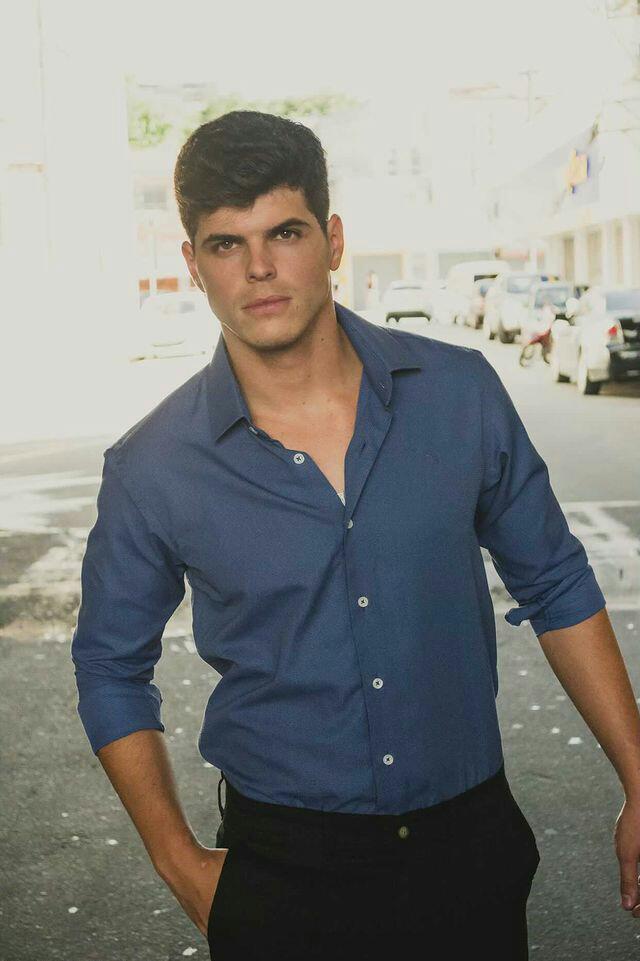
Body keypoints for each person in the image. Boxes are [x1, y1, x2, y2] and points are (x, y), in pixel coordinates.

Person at [71, 110, 640, 960]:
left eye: (284, 232)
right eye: (226, 244)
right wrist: (180, 863)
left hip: (468, 850)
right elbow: (109, 665)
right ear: (193, 264)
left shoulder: (460, 393)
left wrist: (638, 775)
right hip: (282, 870)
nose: (259, 268)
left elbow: (555, 581)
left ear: (333, 240)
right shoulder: (153, 464)